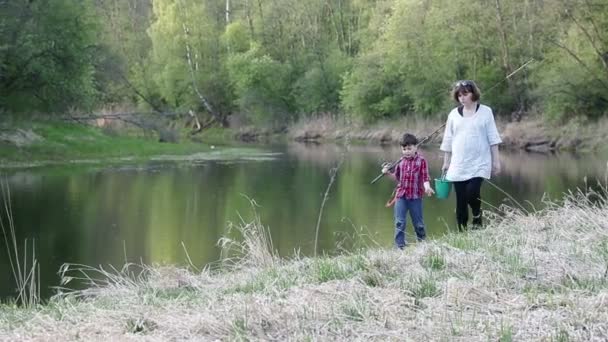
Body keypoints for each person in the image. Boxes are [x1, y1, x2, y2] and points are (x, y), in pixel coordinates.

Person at [439, 80, 502, 231]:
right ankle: (461, 232)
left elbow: (493, 137)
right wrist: (446, 162)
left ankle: (477, 215)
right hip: (458, 164)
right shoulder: (453, 115)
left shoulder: (486, 112)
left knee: (472, 192)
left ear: (473, 93)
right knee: (461, 200)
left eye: (465, 94)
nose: (462, 97)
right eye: (459, 95)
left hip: (480, 162)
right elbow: (448, 139)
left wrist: (496, 161)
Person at [382, 133, 435, 249]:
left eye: (409, 149)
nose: (406, 151)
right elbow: (396, 177)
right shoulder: (401, 162)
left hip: (415, 197)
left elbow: (425, 177)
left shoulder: (421, 161)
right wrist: (387, 173)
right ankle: (399, 246)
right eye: (404, 149)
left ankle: (422, 244)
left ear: (416, 147)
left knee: (419, 224)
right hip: (401, 195)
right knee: (399, 222)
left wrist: (427, 187)